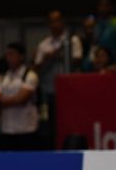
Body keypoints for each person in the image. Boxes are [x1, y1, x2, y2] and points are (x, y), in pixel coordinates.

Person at [34, 10, 83, 148]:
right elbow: (36, 68)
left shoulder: (72, 40)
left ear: (63, 22)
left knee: (68, 122)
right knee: (48, 124)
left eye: (57, 20)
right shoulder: (44, 45)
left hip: (69, 91)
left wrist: (60, 56)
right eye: (51, 21)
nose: (55, 24)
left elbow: (78, 61)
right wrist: (46, 58)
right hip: (48, 90)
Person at [0, 43, 39, 151]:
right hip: (7, 128)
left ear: (21, 56)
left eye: (12, 54)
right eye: (7, 55)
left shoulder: (30, 75)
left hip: (26, 129)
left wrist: (5, 101)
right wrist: (13, 100)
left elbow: (21, 99)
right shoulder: (3, 76)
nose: (9, 58)